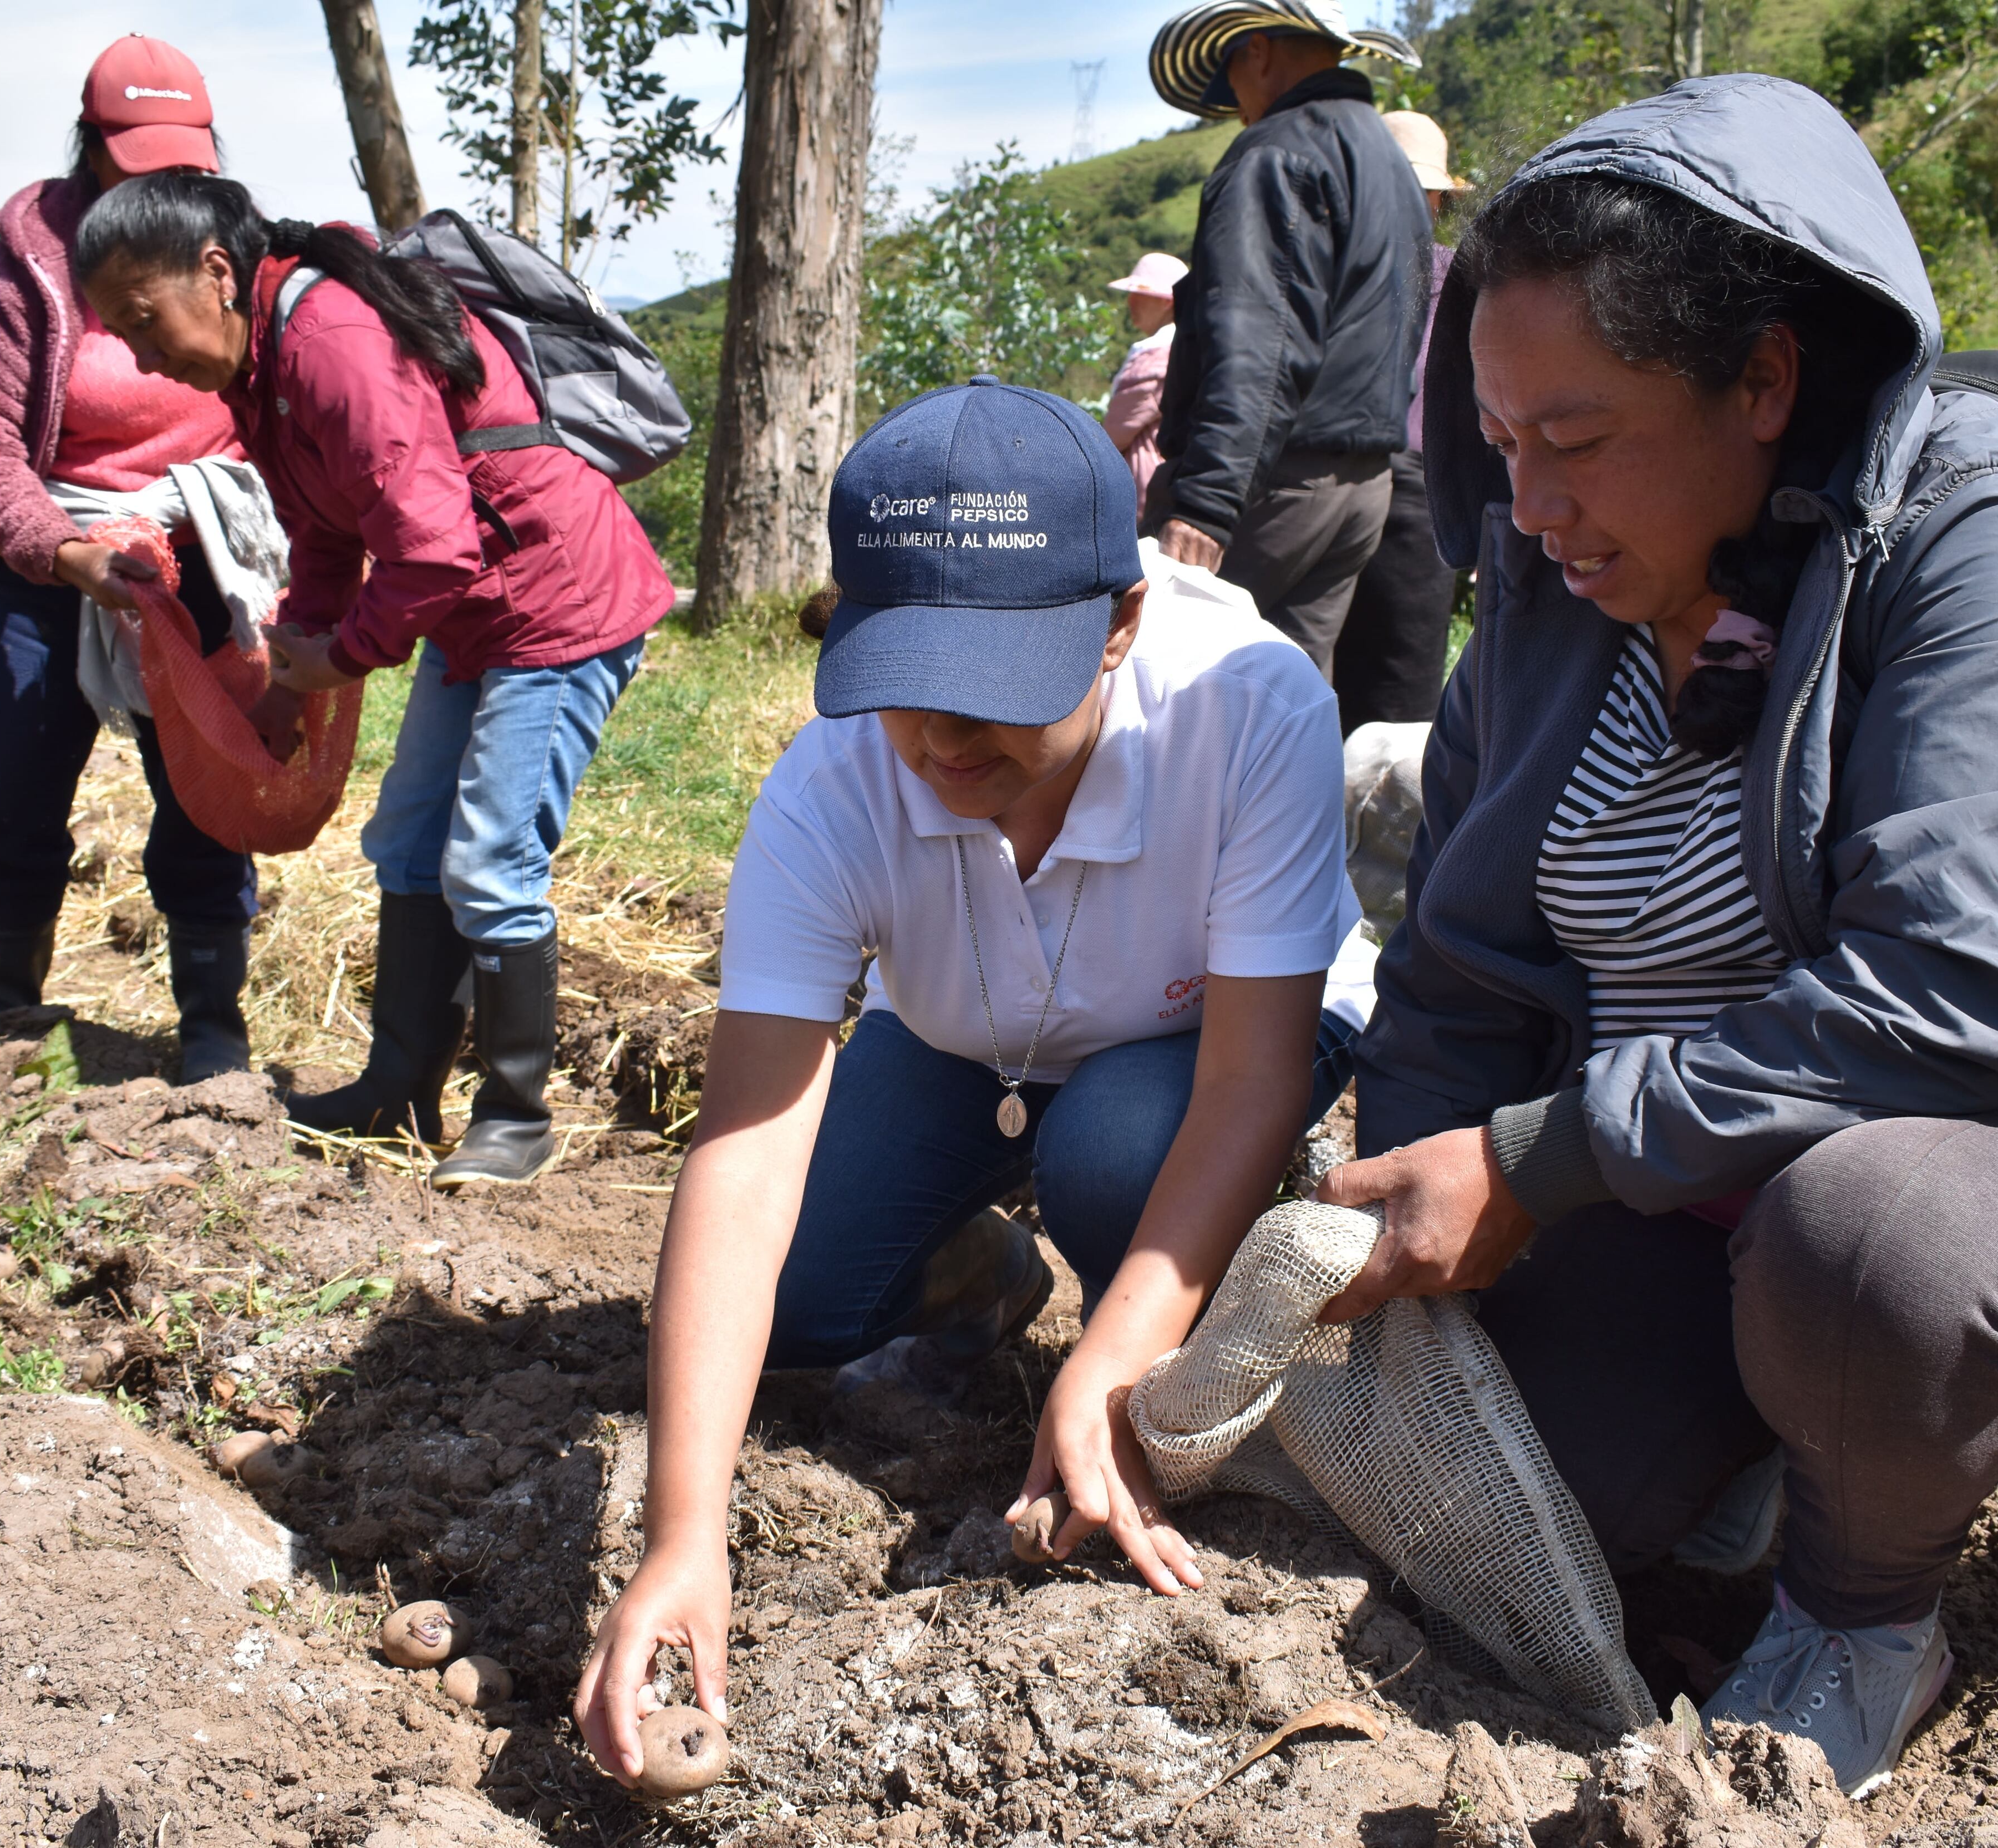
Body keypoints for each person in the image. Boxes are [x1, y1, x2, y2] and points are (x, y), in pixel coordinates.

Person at [1340, 74, 1998, 1798]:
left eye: (1576, 440)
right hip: (1664, 1185)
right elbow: (1458, 966)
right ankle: (1763, 1443)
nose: (1525, 504)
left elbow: (1954, 993)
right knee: (1515, 1497)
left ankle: (1861, 1611)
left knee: (1868, 1240)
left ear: (1764, 378)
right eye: (1501, 441)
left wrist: (1540, 1156)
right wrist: (1396, 1259)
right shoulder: (1548, 580)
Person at [572, 378, 1378, 1785]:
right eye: (903, 690)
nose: (942, 744)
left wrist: (1107, 1363)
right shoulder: (829, 788)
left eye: (992, 697)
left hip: (1194, 1045)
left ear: (1119, 623)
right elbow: (746, 1148)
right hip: (965, 1039)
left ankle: (1196, 1322)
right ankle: (978, 1272)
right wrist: (680, 1536)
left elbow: (1250, 1079)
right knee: (806, 1302)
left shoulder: (1250, 710)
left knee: (1117, 1161)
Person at [68, 174, 672, 1189]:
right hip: (478, 610)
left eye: (142, 322)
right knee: (406, 842)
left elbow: (431, 549)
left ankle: (516, 1118)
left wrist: (342, 656)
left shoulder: (330, 341)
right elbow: (325, 525)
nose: (141, 356)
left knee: (489, 861)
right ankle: (398, 1086)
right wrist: (291, 656)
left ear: (216, 273)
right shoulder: (265, 363)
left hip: (559, 601)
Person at [0, 35, 262, 1081]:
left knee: (205, 786)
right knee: (17, 776)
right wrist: (60, 549)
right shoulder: (21, 274)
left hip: (197, 547)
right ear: (89, 144)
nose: (161, 174)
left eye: (181, 155)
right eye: (136, 152)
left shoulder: (232, 247)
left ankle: (212, 1023)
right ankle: (3, 1004)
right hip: (55, 549)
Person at [1141, 0, 1434, 674]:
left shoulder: (1275, 154)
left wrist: (1207, 504)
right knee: (1285, 696)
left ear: (1258, 52)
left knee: (1168, 682)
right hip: (1361, 487)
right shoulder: (1384, 157)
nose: (1237, 103)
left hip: (1273, 487)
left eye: (1232, 75)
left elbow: (1259, 341)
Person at [1329, 109, 1467, 734]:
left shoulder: (1333, 270)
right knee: (1397, 700)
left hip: (1352, 480)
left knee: (1329, 677)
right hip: (1417, 488)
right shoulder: (1461, 275)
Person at [1100, 251, 1187, 515]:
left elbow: (1114, 435)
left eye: (1141, 293)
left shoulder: (1156, 358)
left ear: (1167, 301)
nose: (1130, 301)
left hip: (1146, 491)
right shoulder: (1188, 349)